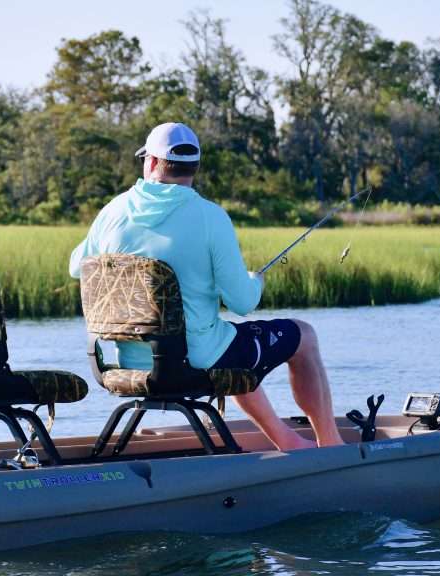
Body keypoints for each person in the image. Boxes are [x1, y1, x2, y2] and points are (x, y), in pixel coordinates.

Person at [69, 122, 344, 450]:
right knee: (304, 336)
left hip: (119, 361)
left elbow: (77, 267)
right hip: (192, 359)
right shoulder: (210, 217)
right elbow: (243, 302)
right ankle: (331, 446)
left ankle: (289, 441)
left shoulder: (112, 211)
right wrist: (255, 282)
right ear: (194, 167)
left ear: (153, 162)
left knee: (231, 340)